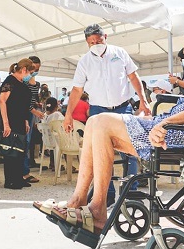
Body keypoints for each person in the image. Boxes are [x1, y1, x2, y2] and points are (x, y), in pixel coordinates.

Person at [34, 27, 184, 237]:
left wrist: (165, 122)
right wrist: (156, 119)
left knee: (100, 122)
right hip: (175, 127)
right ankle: (78, 202)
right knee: (94, 122)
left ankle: (96, 211)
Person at [63, 24, 151, 206]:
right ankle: (107, 194)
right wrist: (68, 114)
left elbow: (133, 77)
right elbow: (77, 90)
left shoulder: (119, 53)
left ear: (106, 36)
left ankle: (130, 192)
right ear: (87, 43)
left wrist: (143, 100)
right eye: (91, 42)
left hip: (123, 107)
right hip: (98, 110)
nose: (96, 44)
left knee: (130, 150)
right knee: (102, 154)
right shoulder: (84, 62)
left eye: (98, 40)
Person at [0, 59, 35, 189]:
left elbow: (23, 105)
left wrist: (25, 120)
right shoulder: (9, 81)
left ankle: (18, 177)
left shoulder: (22, 84)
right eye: (31, 72)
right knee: (10, 151)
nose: (31, 75)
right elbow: (2, 101)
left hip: (20, 120)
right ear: (24, 70)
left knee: (20, 149)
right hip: (10, 119)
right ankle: (10, 180)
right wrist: (6, 123)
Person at [23, 56, 45, 182]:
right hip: (26, 113)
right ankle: (24, 172)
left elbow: (30, 98)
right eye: (34, 69)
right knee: (25, 141)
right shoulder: (25, 80)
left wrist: (35, 105)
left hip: (30, 112)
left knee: (27, 141)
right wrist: (34, 110)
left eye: (37, 69)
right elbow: (25, 99)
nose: (36, 71)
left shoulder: (33, 80)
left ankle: (25, 170)